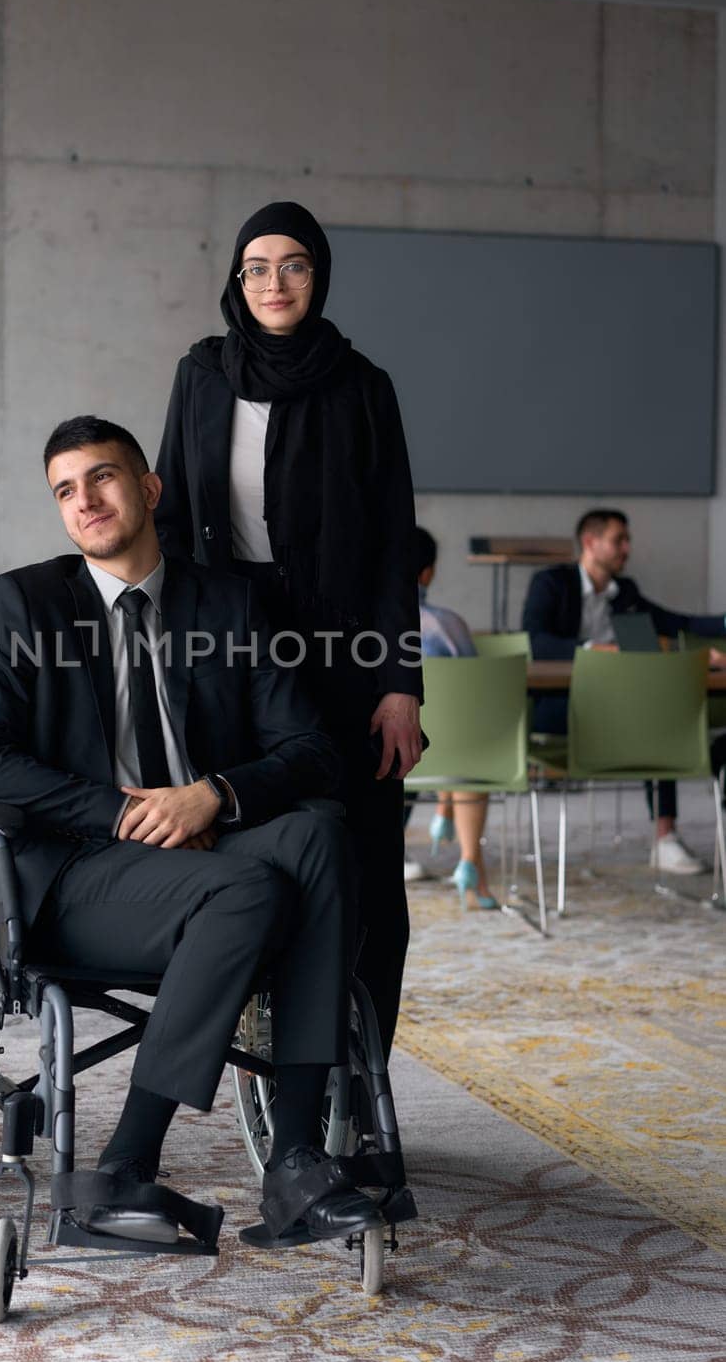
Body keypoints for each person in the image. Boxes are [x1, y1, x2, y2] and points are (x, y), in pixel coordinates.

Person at [0, 414, 383, 1250]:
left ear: (147, 489)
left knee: (320, 840)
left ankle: (295, 1157)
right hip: (83, 871)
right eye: (66, 491)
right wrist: (121, 811)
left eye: (103, 478)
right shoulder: (30, 600)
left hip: (208, 845)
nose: (86, 501)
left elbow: (311, 750)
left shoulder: (227, 601)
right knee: (250, 887)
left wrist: (210, 796)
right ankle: (124, 1163)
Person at [154, 201, 422, 1057]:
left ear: (320, 276)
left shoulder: (363, 386)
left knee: (369, 866)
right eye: (256, 267)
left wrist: (400, 684)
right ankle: (274, 1051)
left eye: (294, 264)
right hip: (226, 648)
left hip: (345, 653)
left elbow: (391, 545)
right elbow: (166, 515)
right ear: (237, 281)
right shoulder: (201, 375)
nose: (275, 282)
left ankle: (362, 1077)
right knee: (254, 847)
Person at [522, 507, 726, 874]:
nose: (627, 549)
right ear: (590, 541)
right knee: (653, 716)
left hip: (622, 706)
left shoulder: (625, 592)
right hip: (562, 706)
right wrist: (599, 652)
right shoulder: (551, 583)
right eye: (619, 540)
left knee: (661, 720)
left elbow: (677, 621)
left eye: (627, 541)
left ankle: (665, 838)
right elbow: (535, 641)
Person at [413, 527, 498, 910]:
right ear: (427, 574)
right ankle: (470, 863)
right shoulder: (447, 625)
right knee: (469, 747)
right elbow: (475, 692)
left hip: (382, 758)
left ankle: (446, 814)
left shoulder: (354, 628)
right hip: (450, 752)